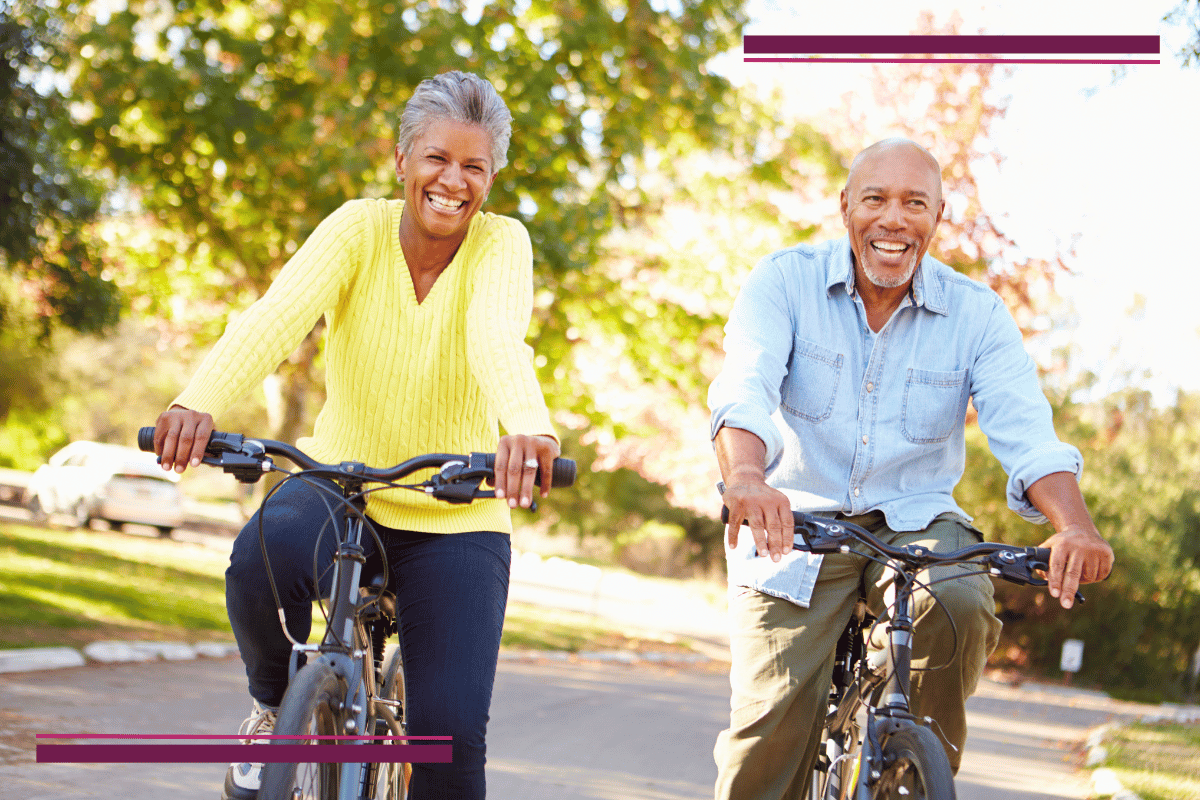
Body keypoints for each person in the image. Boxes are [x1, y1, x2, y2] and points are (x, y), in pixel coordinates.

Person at [152, 70, 560, 800]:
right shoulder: (356, 227)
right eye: (437, 158)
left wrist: (530, 428)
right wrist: (198, 402)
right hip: (342, 489)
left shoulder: (502, 244)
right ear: (402, 160)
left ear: (492, 178)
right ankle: (274, 708)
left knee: (451, 745)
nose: (453, 181)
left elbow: (498, 340)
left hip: (457, 512)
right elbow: (276, 317)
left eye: (475, 167)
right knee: (257, 558)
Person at [706, 137, 1113, 800]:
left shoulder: (976, 313)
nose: (893, 219)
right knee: (768, 736)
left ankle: (909, 774)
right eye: (876, 199)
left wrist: (1075, 525)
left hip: (917, 519)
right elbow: (743, 387)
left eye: (914, 203)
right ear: (845, 208)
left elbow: (1026, 430)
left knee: (958, 602)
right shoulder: (784, 280)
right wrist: (747, 476)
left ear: (938, 217)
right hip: (797, 525)